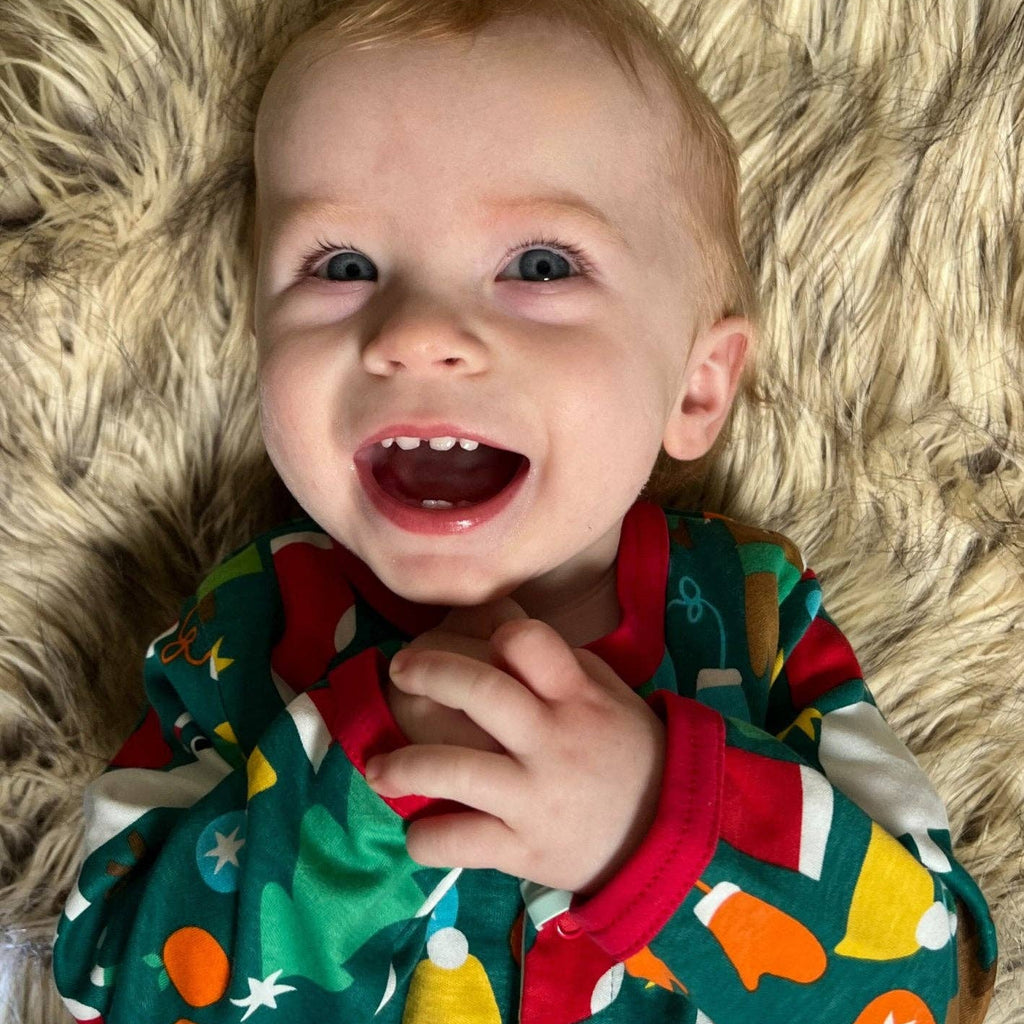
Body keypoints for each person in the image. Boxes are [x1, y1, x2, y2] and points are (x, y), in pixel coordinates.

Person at [50, 1, 998, 1021]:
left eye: (539, 266)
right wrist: (362, 775)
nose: (413, 333)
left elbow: (933, 987)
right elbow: (109, 971)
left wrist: (655, 827)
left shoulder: (750, 613)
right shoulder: (255, 619)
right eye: (341, 265)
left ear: (692, 388)